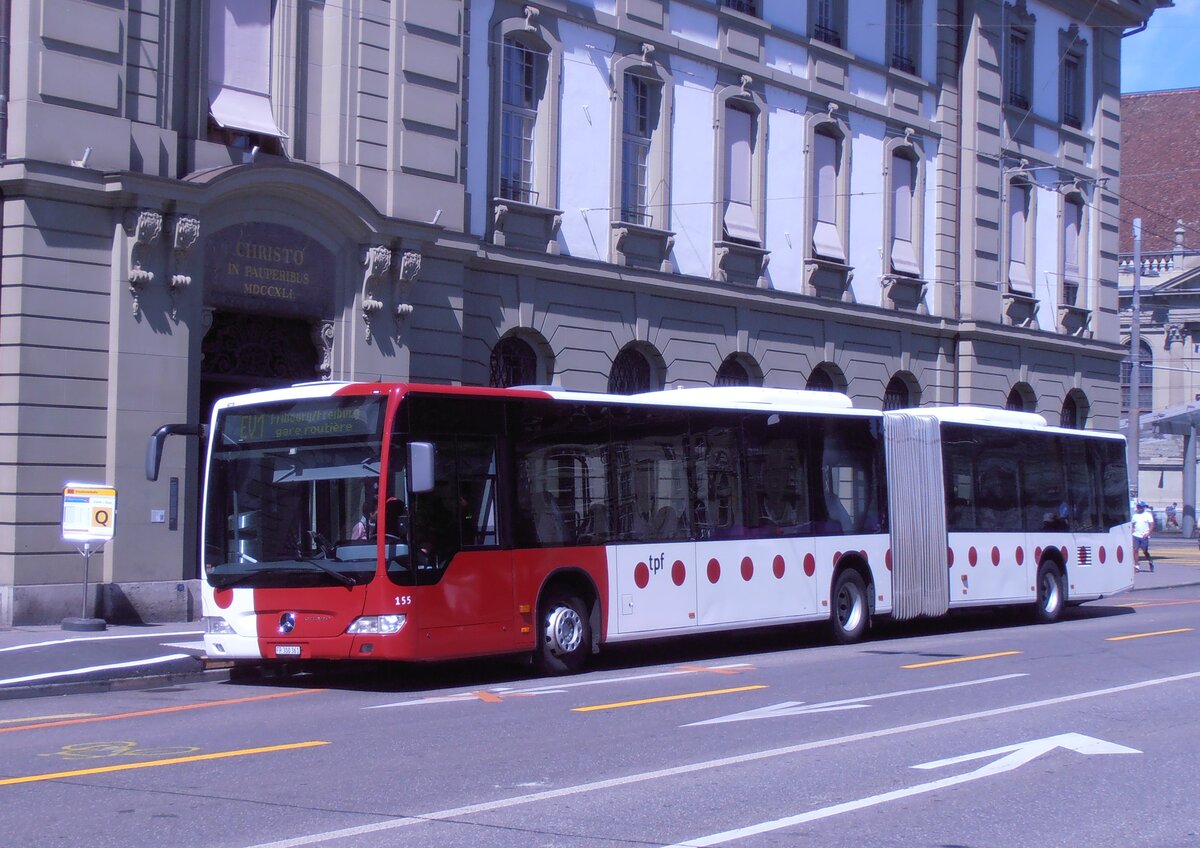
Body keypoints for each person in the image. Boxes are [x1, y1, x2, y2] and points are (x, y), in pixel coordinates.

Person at [1131, 500, 1155, 573]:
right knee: (1135, 550)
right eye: (1138, 507)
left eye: (1140, 507)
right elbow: (1132, 524)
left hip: (1144, 536)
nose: (1139, 508)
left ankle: (1150, 561)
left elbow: (1152, 525)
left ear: (1143, 507)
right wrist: (1132, 530)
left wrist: (1148, 533)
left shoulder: (1148, 515)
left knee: (1145, 551)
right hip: (1136, 535)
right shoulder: (1135, 515)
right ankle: (1136, 566)